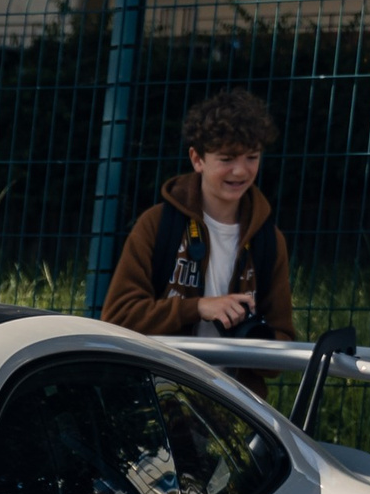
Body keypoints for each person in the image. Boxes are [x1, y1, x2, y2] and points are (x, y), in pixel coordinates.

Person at [102, 89, 295, 342]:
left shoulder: (268, 239)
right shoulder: (157, 224)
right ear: (197, 159)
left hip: (230, 384)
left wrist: (257, 338)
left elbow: (283, 339)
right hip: (164, 380)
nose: (240, 171)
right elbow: (117, 318)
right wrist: (198, 307)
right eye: (226, 159)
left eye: (252, 157)